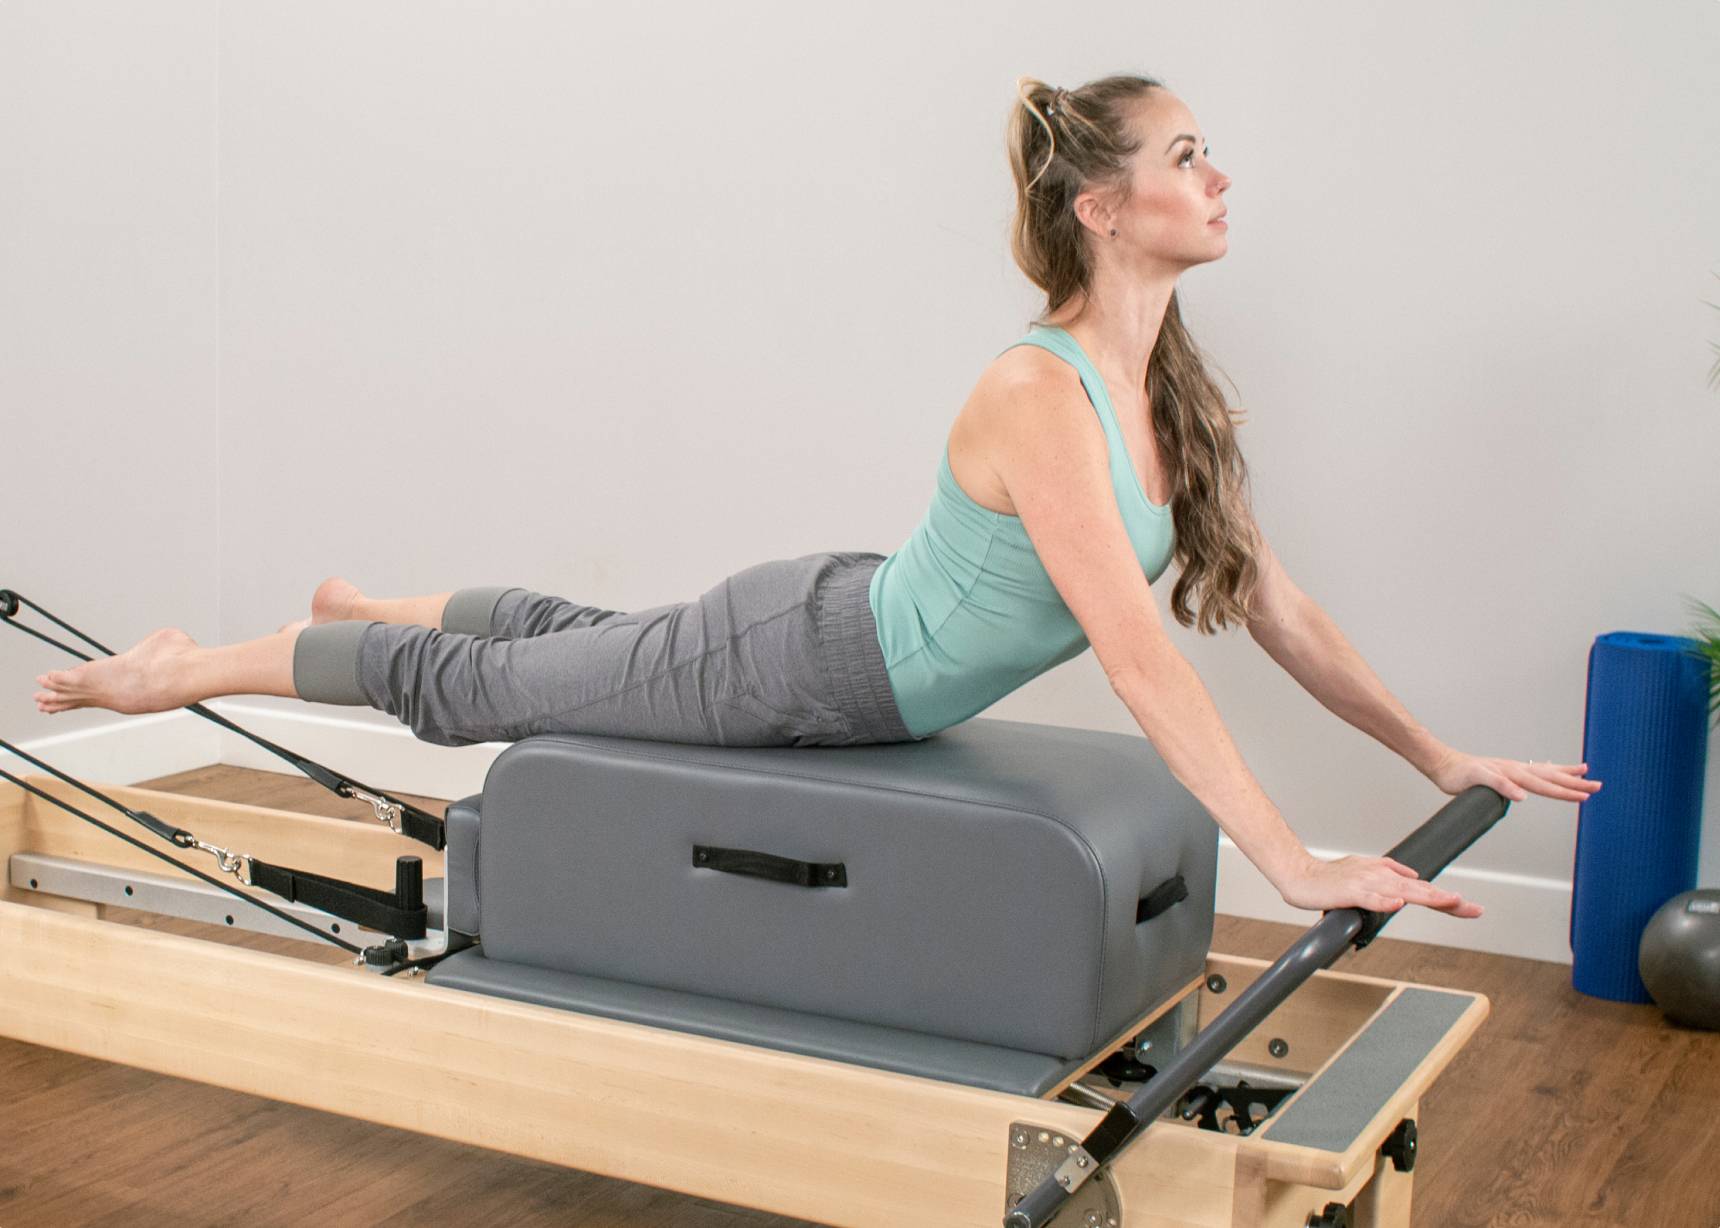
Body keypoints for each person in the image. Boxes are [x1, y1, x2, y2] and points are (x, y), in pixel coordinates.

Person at [30, 73, 1599, 918]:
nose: (1222, 178)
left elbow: (1284, 612)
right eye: (1192, 156)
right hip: (808, 660)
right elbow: (1138, 653)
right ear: (1104, 207)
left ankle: (369, 601)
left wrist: (1438, 751)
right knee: (480, 691)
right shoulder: (1036, 391)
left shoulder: (1168, 398)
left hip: (827, 632)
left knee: (579, 641)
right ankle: (185, 665)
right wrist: (1288, 858)